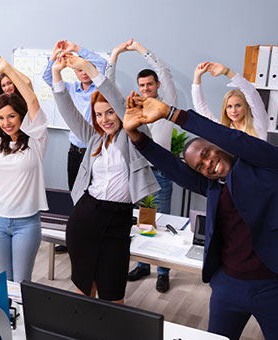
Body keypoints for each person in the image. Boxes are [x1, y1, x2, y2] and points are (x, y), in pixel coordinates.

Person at [122, 93, 278, 340]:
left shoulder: (269, 165)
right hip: (228, 286)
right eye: (200, 167)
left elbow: (233, 138)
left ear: (217, 145)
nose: (207, 164)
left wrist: (172, 114)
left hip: (275, 286)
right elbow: (173, 168)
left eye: (206, 154)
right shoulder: (213, 186)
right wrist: (136, 137)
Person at [51, 51, 158, 303]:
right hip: (86, 216)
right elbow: (68, 111)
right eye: (99, 114)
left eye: (110, 112)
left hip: (118, 219)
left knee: (113, 295)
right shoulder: (94, 139)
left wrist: (88, 67)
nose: (105, 119)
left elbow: (120, 103)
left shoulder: (134, 134)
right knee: (84, 290)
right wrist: (57, 73)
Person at [107, 39, 177, 293]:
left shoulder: (167, 104)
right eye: (142, 85)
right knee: (140, 222)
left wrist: (139, 49)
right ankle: (143, 265)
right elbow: (109, 87)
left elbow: (166, 72)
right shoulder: (132, 109)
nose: (146, 88)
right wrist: (115, 54)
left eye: (150, 84)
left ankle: (163, 271)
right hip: (138, 171)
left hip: (162, 174)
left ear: (157, 86)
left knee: (160, 221)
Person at [0, 55, 48, 283]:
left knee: (21, 281)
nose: (6, 123)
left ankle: (23, 318)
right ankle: (6, 319)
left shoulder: (37, 139)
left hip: (26, 222)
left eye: (12, 116)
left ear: (22, 117)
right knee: (2, 280)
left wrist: (7, 69)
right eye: (1, 118)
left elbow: (32, 100)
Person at [42, 40, 107, 254]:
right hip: (75, 151)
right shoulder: (69, 88)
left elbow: (102, 64)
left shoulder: (100, 87)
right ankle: (75, 238)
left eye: (86, 68)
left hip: (96, 152)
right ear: (75, 72)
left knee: (95, 196)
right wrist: (54, 58)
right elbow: (48, 77)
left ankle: (94, 239)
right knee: (75, 195)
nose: (84, 73)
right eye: (78, 69)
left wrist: (77, 50)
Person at [192, 61, 268, 140]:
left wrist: (226, 71)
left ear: (246, 106)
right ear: (225, 109)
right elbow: (201, 108)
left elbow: (251, 93)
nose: (234, 111)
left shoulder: (259, 124)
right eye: (229, 106)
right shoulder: (224, 130)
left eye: (238, 105)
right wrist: (197, 77)